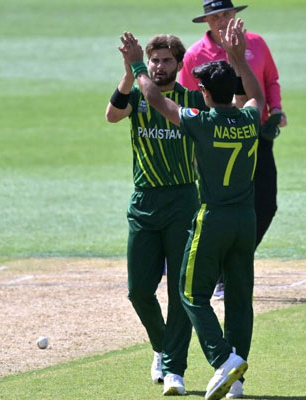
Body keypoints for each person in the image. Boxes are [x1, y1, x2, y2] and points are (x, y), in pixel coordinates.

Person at [119, 17, 264, 400]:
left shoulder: (201, 121)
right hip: (246, 220)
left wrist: (136, 66)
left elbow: (154, 99)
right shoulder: (250, 118)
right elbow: (255, 96)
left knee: (190, 295)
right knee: (238, 299)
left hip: (212, 217)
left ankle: (222, 361)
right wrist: (238, 58)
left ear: (203, 92)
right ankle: (237, 381)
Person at [106, 34, 208, 396]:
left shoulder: (192, 100)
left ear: (179, 65)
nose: (159, 66)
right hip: (144, 202)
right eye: (154, 61)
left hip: (182, 202)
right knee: (138, 292)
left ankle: (175, 368)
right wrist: (128, 73)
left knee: (181, 291)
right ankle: (163, 346)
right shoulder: (135, 95)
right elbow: (112, 115)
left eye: (166, 61)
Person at [179, 0, 284, 299]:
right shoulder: (194, 55)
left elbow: (270, 81)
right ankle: (219, 270)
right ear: (207, 22)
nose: (223, 20)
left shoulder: (257, 44)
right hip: (214, 139)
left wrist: (276, 110)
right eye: (217, 17)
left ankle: (232, 262)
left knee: (266, 203)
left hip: (254, 132)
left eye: (227, 14)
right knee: (217, 206)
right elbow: (190, 99)